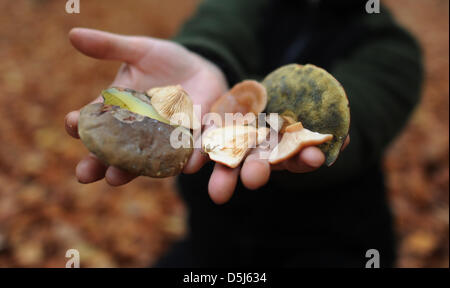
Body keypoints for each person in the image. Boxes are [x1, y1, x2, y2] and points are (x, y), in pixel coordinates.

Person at [64, 0, 422, 267]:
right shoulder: (250, 5)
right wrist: (204, 60)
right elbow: (220, 26)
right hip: (214, 246)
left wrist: (314, 134)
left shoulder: (393, 49)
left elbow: (361, 110)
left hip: (335, 245)